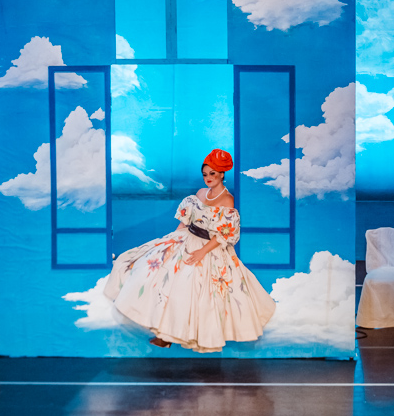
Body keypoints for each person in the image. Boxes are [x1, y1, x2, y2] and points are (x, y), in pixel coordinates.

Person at [103, 148, 276, 352]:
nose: (208, 178)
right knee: (158, 277)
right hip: (187, 239)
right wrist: (171, 240)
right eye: (205, 174)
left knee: (194, 292)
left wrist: (202, 252)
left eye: (212, 173)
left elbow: (224, 233)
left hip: (209, 248)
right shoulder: (200, 193)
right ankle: (164, 334)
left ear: (222, 174)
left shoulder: (227, 199)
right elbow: (186, 221)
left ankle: (184, 336)